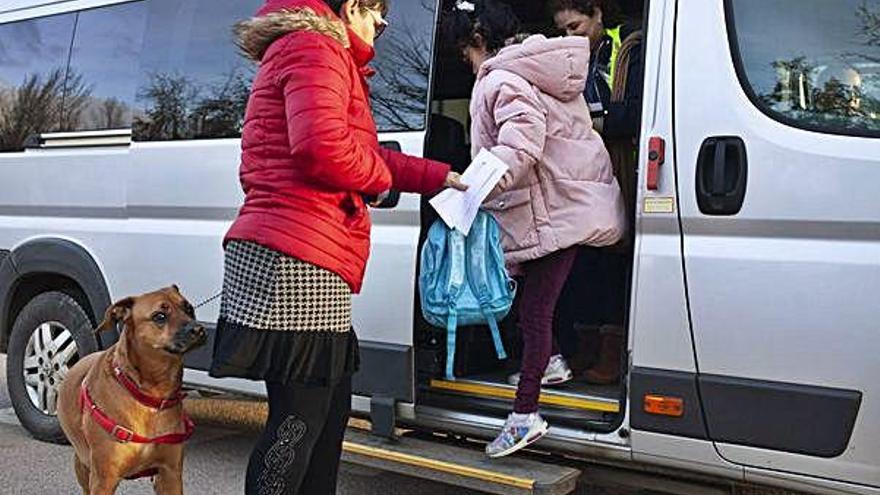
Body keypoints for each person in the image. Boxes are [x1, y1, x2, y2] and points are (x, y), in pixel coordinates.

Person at [210, 1, 465, 493]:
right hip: (295, 257)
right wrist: (379, 185)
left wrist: (439, 177)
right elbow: (321, 149)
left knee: (327, 413)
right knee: (299, 420)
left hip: (299, 251)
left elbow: (361, 151)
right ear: (351, 7)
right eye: (378, 16)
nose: (383, 27)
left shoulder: (316, 50)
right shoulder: (316, 46)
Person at [443, 0, 625, 458]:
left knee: (534, 312)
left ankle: (524, 416)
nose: (466, 62)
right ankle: (552, 365)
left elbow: (521, 146)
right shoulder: (538, 73)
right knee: (536, 308)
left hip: (553, 210)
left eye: (464, 52)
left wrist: (472, 187)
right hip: (565, 205)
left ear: (478, 41)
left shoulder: (502, 78)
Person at [550, 0, 644, 385]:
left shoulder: (629, 48)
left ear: (598, 15)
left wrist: (590, 122)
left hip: (620, 168)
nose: (570, 37)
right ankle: (585, 346)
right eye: (563, 31)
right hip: (578, 175)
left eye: (576, 26)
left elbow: (638, 112)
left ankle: (610, 352)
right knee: (583, 264)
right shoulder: (562, 60)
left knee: (612, 264)